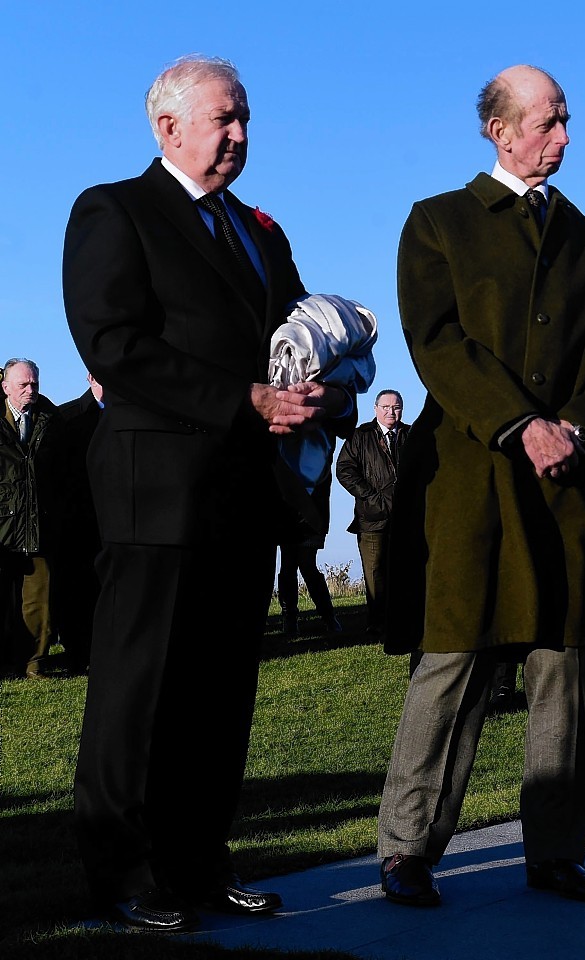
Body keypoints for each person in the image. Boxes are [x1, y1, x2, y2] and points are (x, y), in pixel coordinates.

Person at [62, 55, 354, 932]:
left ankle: (198, 864)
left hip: (242, 497)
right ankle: (125, 874)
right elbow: (113, 342)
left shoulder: (260, 231)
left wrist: (328, 396)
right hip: (157, 492)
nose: (239, 135)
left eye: (246, 119)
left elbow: (306, 332)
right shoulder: (115, 209)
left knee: (220, 695)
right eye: (224, 118)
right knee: (139, 690)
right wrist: (246, 400)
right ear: (168, 128)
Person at [375, 64, 585, 909]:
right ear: (500, 129)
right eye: (550, 122)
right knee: (454, 660)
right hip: (472, 479)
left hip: (568, 485)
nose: (564, 137)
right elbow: (437, 341)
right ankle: (408, 849)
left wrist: (574, 428)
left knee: (565, 665)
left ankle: (558, 851)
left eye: (565, 121)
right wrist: (520, 424)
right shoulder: (440, 223)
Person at [0, 358, 59, 678]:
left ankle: (35, 662)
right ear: (5, 386)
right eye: (23, 384)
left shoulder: (51, 420)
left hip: (38, 522)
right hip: (3, 525)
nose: (30, 390)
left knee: (39, 600)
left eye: (34, 383)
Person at [335, 389, 406, 638]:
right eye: (385, 407)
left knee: (404, 570)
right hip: (371, 518)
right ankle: (377, 624)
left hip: (406, 518)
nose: (391, 412)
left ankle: (403, 621)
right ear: (375, 408)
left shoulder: (411, 435)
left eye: (396, 407)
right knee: (375, 572)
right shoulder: (360, 435)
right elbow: (344, 469)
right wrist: (371, 497)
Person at [52, 373, 105, 673]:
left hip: (115, 517)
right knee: (78, 589)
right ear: (89, 378)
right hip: (79, 520)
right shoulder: (67, 418)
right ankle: (78, 651)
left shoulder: (125, 414)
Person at [276, 464, 341, 637]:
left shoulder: (313, 453)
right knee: (290, 566)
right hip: (287, 518)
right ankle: (290, 618)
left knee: (306, 565)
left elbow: (323, 486)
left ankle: (326, 616)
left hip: (310, 517)